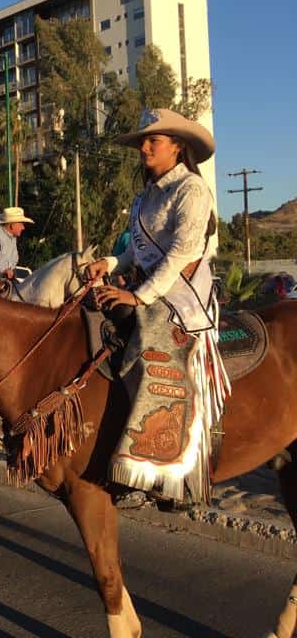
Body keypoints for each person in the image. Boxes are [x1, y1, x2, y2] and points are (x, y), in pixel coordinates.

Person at [84, 109, 226, 508]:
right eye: (143, 142)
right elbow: (135, 250)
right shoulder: (145, 197)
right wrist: (110, 265)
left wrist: (138, 296)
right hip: (151, 287)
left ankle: (158, 472)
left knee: (153, 354)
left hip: (182, 296)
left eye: (154, 141)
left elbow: (182, 252)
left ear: (177, 147)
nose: (144, 148)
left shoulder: (192, 191)